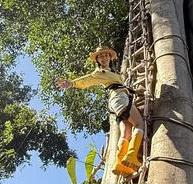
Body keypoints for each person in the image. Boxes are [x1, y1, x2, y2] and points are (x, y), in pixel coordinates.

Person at [57, 46, 144, 175]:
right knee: (139, 124)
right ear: (97, 60)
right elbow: (89, 79)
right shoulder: (101, 72)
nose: (104, 58)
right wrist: (72, 83)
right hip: (119, 98)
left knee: (126, 131)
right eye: (101, 56)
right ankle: (131, 155)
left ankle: (120, 163)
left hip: (116, 102)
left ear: (110, 57)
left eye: (106, 55)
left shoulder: (110, 72)